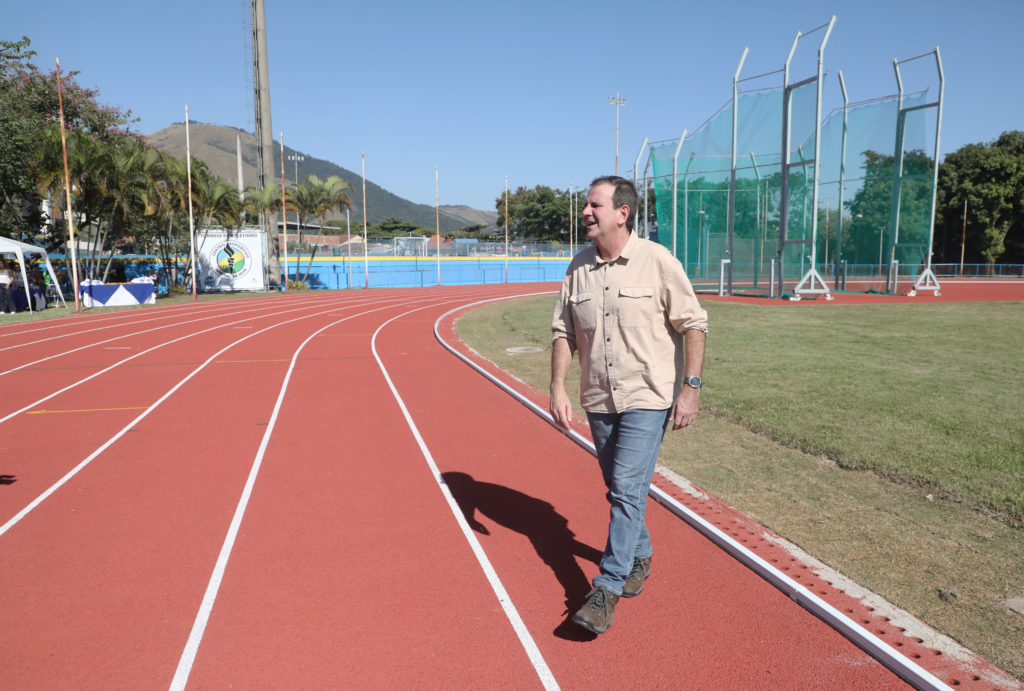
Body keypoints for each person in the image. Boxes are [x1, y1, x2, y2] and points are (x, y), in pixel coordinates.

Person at [550, 175, 708, 634]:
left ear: (622, 213)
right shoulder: (578, 267)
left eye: (594, 205)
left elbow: (694, 324)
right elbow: (562, 331)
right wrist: (557, 386)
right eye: (586, 205)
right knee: (620, 488)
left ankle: (607, 588)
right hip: (599, 397)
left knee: (624, 488)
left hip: (647, 396)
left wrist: (691, 387)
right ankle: (640, 553)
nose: (586, 212)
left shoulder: (657, 261)